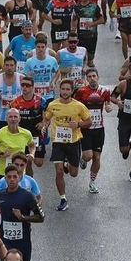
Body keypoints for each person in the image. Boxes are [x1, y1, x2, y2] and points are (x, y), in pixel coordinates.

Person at [42, 78, 91, 211]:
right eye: (63, 89)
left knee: (74, 173)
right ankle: (63, 199)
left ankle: (67, 165)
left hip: (73, 142)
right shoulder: (53, 105)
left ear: (72, 91)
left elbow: (89, 122)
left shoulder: (79, 106)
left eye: (67, 89)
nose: (64, 92)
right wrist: (44, 126)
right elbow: (47, 118)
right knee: (58, 170)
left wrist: (79, 124)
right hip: (58, 142)